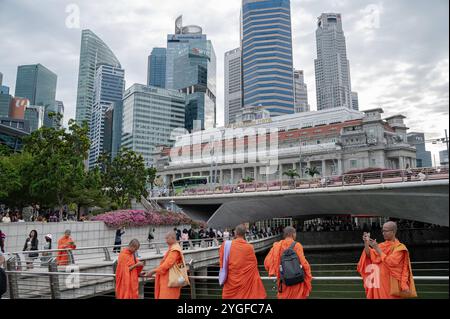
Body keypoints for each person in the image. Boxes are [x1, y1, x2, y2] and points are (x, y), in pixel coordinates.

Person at [357, 221, 417, 299]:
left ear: (393, 232)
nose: (383, 233)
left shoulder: (399, 248)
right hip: (379, 283)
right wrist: (366, 243)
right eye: (383, 231)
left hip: (391, 284)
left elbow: (391, 262)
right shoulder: (382, 245)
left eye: (386, 231)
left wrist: (377, 248)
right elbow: (369, 255)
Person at [219, 224, 266, 299]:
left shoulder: (226, 245)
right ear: (244, 234)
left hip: (231, 281)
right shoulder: (249, 247)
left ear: (235, 233)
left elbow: (222, 262)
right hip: (245, 282)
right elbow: (254, 264)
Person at [264, 226, 312, 299]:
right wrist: (308, 276)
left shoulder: (277, 245)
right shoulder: (297, 245)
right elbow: (304, 263)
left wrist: (278, 272)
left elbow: (267, 263)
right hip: (297, 281)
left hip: (284, 281)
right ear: (293, 234)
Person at [148, 231, 185, 299]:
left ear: (173, 238)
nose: (166, 240)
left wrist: (153, 271)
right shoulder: (174, 248)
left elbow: (167, 264)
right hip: (168, 279)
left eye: (167, 238)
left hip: (170, 281)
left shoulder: (175, 250)